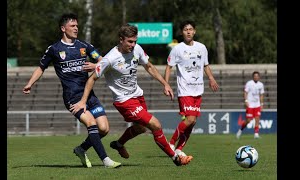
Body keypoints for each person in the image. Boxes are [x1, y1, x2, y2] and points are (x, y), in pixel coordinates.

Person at [70, 23, 193, 166]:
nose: (133, 45)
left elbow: (149, 66)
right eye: (130, 41)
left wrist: (165, 84)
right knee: (156, 125)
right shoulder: (110, 58)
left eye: (135, 41)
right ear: (121, 39)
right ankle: (176, 158)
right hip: (124, 101)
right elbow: (92, 79)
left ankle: (119, 144)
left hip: (138, 95)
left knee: (140, 128)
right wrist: (83, 101)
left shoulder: (137, 49)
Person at [22, 13, 121, 168]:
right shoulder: (54, 49)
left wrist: (96, 66)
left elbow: (103, 61)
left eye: (77, 26)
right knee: (91, 123)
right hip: (72, 97)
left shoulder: (84, 46)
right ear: (63, 28)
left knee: (104, 129)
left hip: (89, 95)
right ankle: (106, 160)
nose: (76, 28)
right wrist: (29, 84)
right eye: (72, 26)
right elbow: (41, 68)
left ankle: (81, 149)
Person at [163, 20, 219, 156]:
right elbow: (169, 67)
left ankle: (179, 149)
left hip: (198, 90)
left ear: (194, 31)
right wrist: (166, 84)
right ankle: (170, 143)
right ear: (182, 32)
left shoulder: (201, 47)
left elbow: (205, 65)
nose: (188, 31)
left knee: (192, 123)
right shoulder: (177, 49)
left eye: (190, 29)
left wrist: (211, 78)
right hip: (185, 90)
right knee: (190, 120)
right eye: (185, 29)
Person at [236, 71, 264, 139]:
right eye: (255, 76)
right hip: (250, 105)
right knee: (248, 120)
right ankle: (240, 130)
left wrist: (262, 104)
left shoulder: (261, 84)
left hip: (257, 105)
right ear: (253, 77)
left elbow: (261, 95)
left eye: (257, 76)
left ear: (259, 77)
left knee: (257, 119)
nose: (256, 77)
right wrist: (246, 101)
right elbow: (245, 92)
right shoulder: (249, 83)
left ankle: (256, 134)